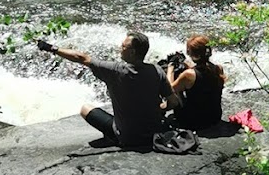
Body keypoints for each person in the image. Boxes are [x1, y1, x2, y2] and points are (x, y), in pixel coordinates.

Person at [37, 30, 172, 150]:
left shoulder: (114, 70)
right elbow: (173, 102)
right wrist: (159, 108)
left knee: (85, 109)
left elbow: (81, 58)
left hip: (127, 138)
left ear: (132, 52)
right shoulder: (157, 71)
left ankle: (113, 137)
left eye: (123, 47)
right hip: (154, 135)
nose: (120, 49)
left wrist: (51, 48)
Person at [166, 34, 226, 130]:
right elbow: (203, 77)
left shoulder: (188, 75)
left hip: (194, 121)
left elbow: (169, 88)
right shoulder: (218, 69)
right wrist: (189, 66)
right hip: (214, 118)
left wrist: (170, 69)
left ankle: (166, 107)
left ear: (192, 54)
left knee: (177, 81)